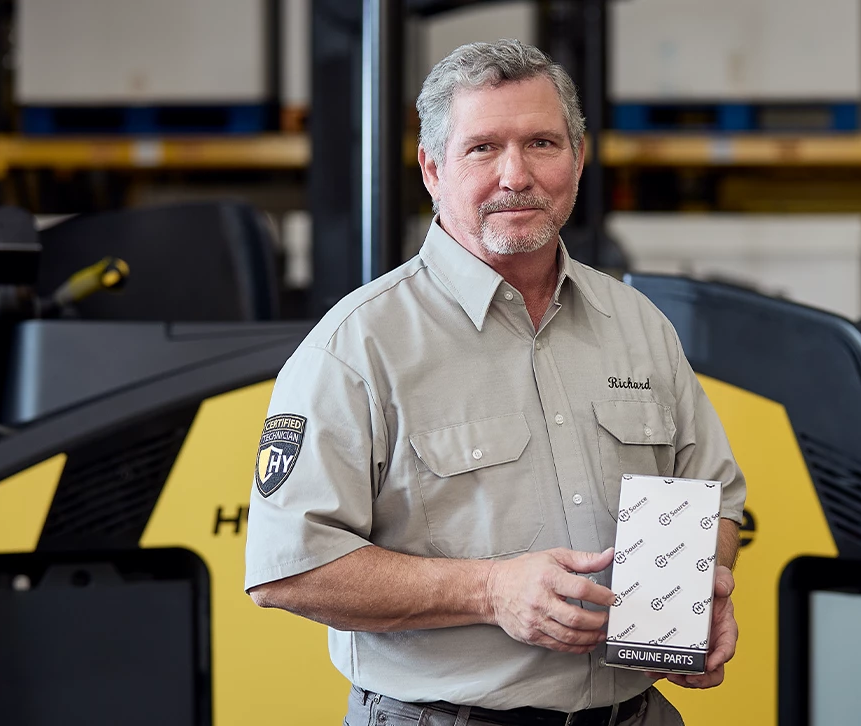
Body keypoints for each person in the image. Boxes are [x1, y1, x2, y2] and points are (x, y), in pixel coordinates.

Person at [244, 38, 746, 726]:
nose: (516, 174)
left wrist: (704, 591)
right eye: (482, 148)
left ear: (577, 156)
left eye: (541, 142)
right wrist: (489, 591)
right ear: (432, 167)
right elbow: (288, 569)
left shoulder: (637, 323)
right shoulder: (358, 345)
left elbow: (713, 497)